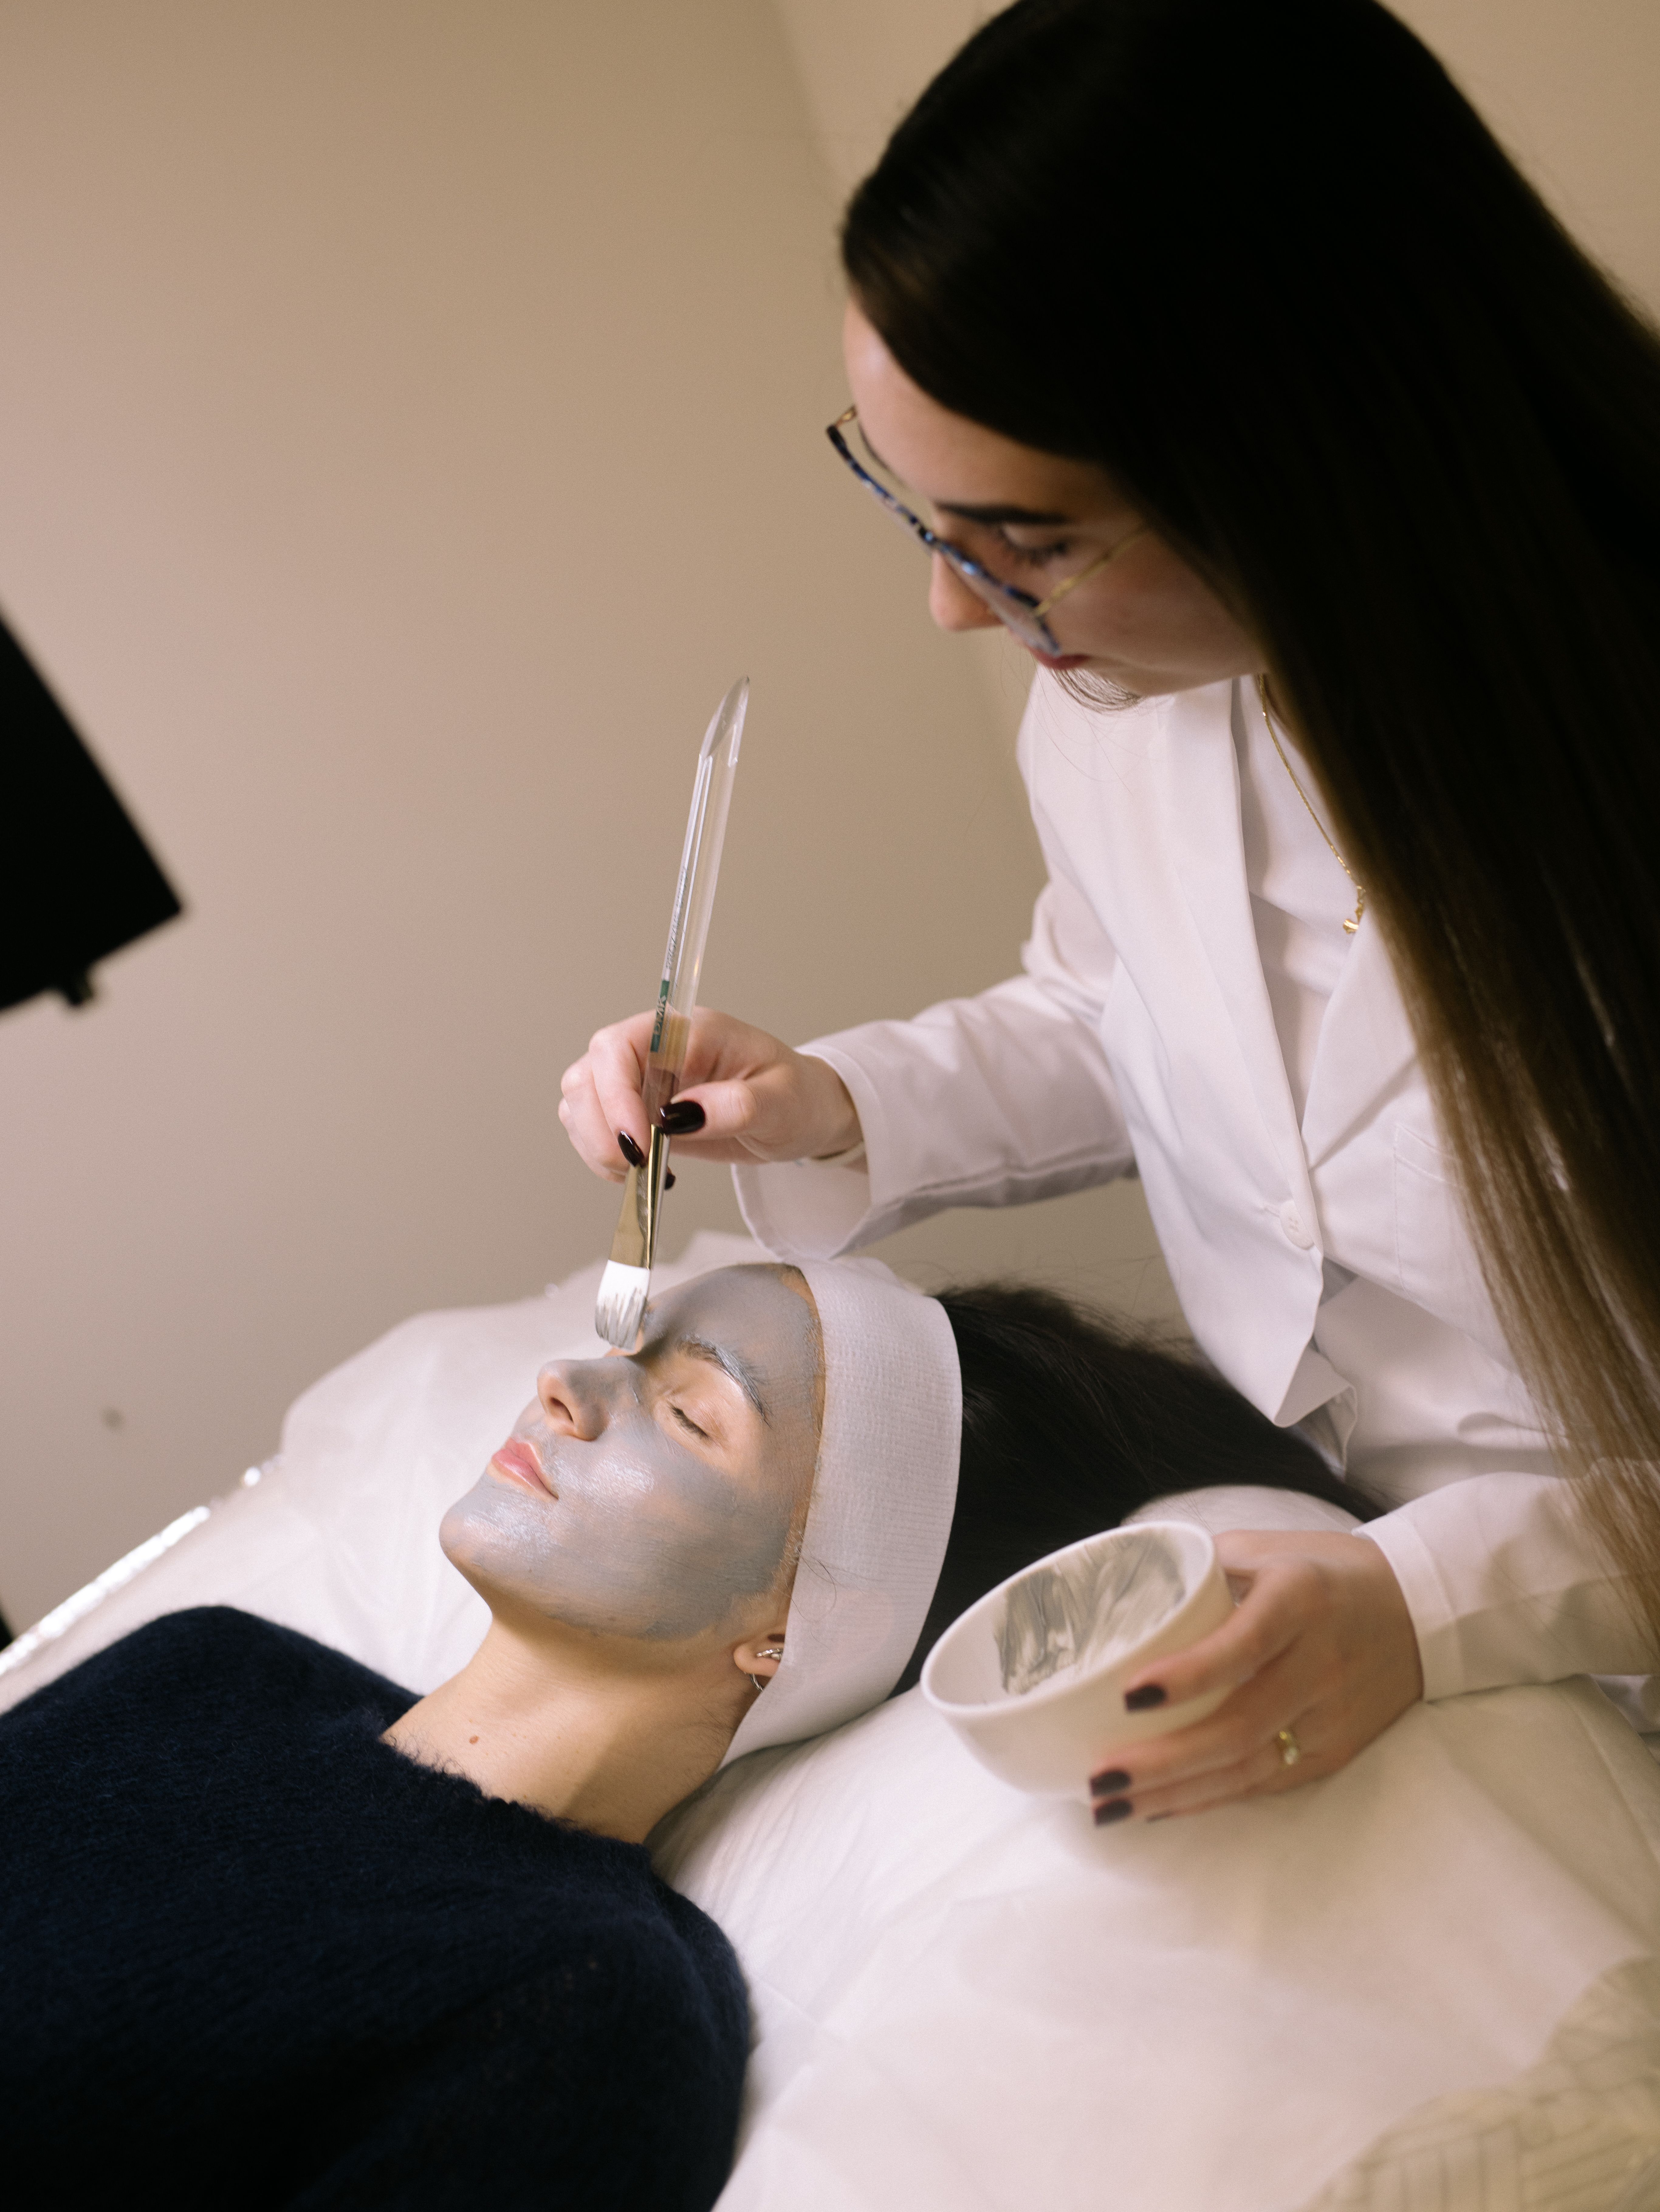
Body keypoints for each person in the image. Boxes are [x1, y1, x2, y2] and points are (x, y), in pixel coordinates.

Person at [558, 0, 1660, 1824]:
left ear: (1313, 447)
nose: (957, 611)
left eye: (1025, 538)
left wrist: (1445, 1594)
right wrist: (835, 1102)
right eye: (915, 510)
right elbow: (1121, 1008)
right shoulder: (1141, 706)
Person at [1, 1253, 1345, 2203]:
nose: (566, 1384)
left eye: (691, 1409)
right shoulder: (206, 1671)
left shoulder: (587, 2015)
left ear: (794, 1626)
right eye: (624, 1351)